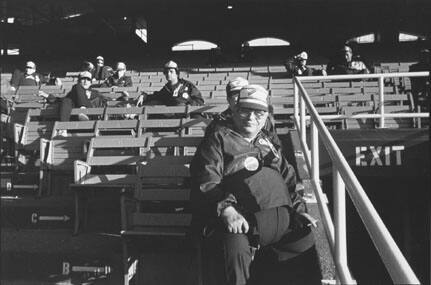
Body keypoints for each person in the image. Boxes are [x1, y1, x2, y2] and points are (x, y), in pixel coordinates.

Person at [190, 85, 315, 285]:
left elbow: (289, 178)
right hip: (238, 222)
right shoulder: (218, 138)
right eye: (245, 111)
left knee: (306, 242)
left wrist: (299, 210)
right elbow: (207, 179)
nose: (251, 117)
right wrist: (227, 210)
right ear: (234, 110)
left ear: (266, 116)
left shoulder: (266, 141)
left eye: (259, 113)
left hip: (275, 221)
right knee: (236, 255)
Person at [206, 77, 281, 147]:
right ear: (228, 99)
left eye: (243, 93)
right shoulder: (219, 122)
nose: (238, 98)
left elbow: (275, 145)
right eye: (234, 94)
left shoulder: (263, 119)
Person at [136, 60, 204, 106]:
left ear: (177, 73)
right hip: (173, 118)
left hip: (187, 115)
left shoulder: (187, 85)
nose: (168, 74)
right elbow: (156, 96)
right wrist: (144, 96)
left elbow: (199, 101)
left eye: (171, 71)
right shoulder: (166, 89)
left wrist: (187, 103)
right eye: (166, 72)